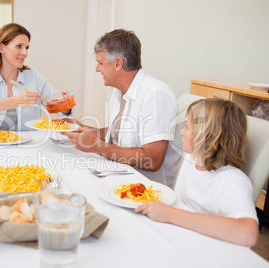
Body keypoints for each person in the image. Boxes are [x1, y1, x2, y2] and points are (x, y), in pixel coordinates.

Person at [62, 29, 180, 187]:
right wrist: (85, 130)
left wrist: (96, 146)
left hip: (146, 190)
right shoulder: (119, 91)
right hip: (118, 176)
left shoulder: (155, 94)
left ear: (118, 64)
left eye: (100, 63)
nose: (97, 69)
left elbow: (153, 160)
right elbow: (118, 133)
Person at [135, 98, 259, 246]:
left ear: (206, 135)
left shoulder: (233, 181)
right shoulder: (192, 158)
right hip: (179, 237)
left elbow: (248, 234)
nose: (181, 131)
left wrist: (171, 215)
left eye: (186, 126)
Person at [0, 23, 72, 133]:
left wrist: (64, 103)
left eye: (27, 48)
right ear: (1, 48)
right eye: (19, 46)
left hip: (29, 145)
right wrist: (16, 101)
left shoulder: (34, 77)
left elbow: (59, 110)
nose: (25, 53)